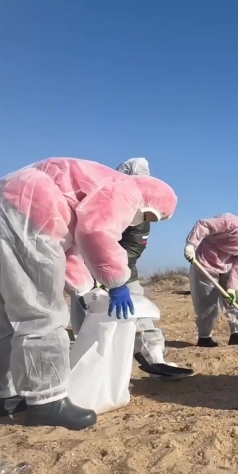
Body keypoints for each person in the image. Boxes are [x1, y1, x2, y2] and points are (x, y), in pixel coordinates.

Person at [0, 157, 177, 430]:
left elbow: (68, 248)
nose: (144, 221)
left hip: (0, 196)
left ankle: (5, 394)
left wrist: (85, 288)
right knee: (41, 311)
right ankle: (47, 402)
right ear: (151, 199)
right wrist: (117, 282)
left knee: (2, 308)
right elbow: (96, 232)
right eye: (151, 216)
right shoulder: (127, 190)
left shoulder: (96, 182)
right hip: (34, 205)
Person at [68, 158, 192, 379]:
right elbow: (84, 236)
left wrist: (112, 273)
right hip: (82, 265)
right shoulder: (97, 197)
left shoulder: (144, 210)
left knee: (137, 306)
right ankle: (88, 363)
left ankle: (153, 356)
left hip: (121, 267)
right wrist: (95, 271)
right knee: (87, 309)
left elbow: (133, 247)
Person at [183, 213, 238, 347]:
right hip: (206, 262)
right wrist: (191, 245)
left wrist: (232, 288)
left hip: (229, 267)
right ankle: (204, 336)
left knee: (237, 296)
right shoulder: (232, 223)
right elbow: (204, 225)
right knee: (207, 301)